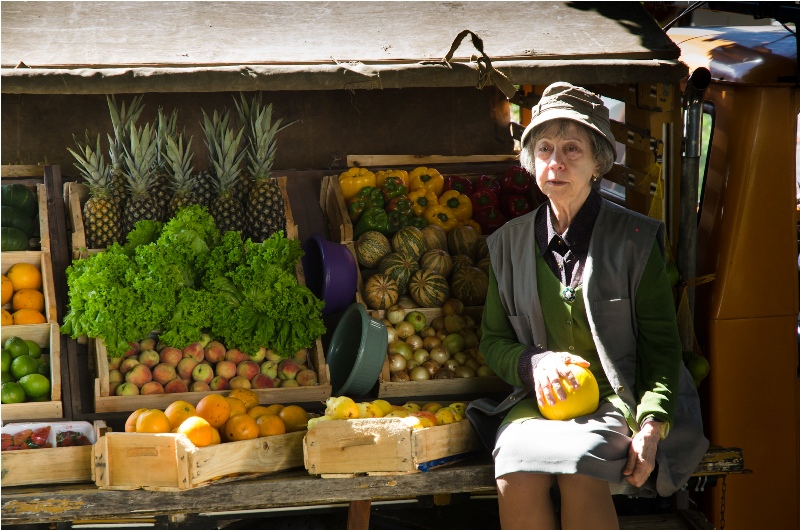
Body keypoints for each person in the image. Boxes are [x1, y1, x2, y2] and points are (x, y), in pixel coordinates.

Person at [466, 82, 708, 530]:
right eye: (544, 149)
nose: (555, 163)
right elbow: (494, 340)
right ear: (530, 160)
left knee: (578, 465)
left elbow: (661, 347)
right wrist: (534, 363)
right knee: (515, 470)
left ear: (599, 162)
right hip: (541, 403)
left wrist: (653, 424)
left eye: (572, 149)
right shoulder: (507, 244)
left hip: (623, 399)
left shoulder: (634, 239)